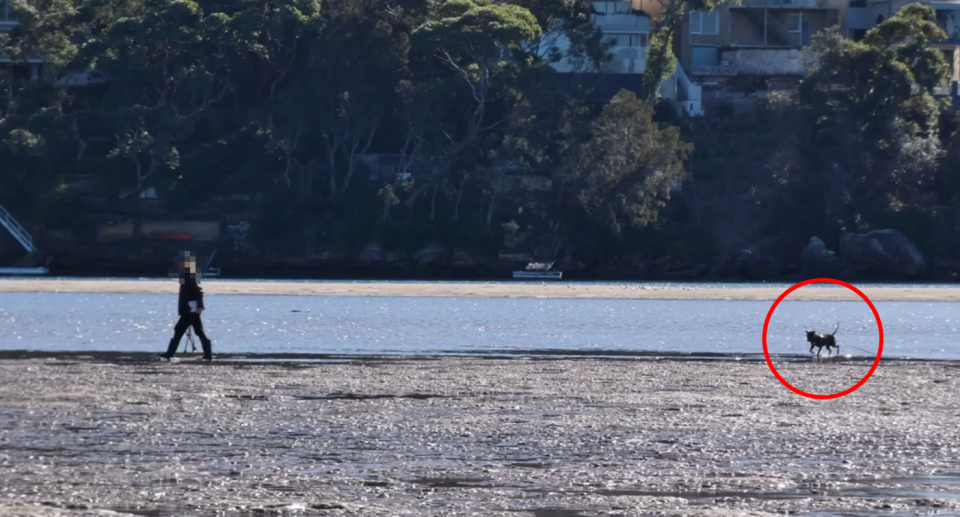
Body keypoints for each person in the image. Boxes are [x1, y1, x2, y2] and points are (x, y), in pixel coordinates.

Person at [159, 253, 213, 361]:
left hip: (189, 311)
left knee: (179, 330)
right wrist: (200, 307)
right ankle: (208, 355)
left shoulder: (189, 278)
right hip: (191, 310)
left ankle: (169, 354)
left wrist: (200, 306)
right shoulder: (188, 277)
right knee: (199, 332)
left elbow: (198, 293)